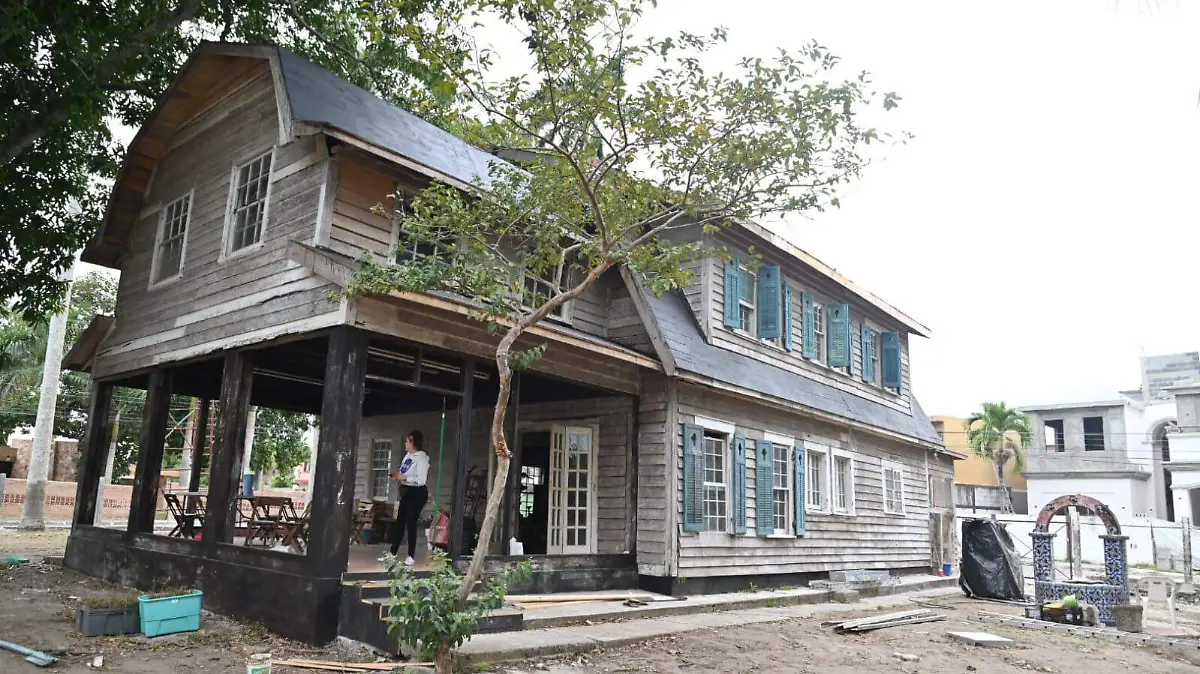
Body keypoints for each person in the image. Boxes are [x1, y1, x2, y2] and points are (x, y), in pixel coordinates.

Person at [387, 430, 430, 566]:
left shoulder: (421, 458)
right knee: (400, 521)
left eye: (407, 441)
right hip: (407, 491)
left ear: (413, 442)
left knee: (410, 522)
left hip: (417, 492)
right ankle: (392, 553)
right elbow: (405, 473)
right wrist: (398, 476)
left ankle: (411, 556)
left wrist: (404, 477)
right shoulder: (408, 456)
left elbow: (421, 480)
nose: (405, 443)